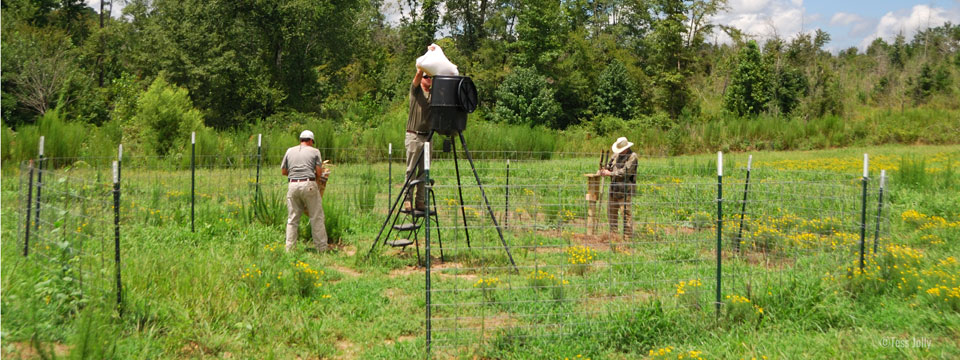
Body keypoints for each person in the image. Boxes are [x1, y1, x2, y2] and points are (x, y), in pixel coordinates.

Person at [281, 130, 328, 252]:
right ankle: (321, 248)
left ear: (301, 140)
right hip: (309, 184)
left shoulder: (289, 151)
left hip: (292, 185)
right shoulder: (315, 151)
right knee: (316, 217)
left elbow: (284, 171)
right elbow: (319, 172)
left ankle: (290, 248)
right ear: (311, 141)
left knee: (292, 219)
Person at [403, 47, 435, 213]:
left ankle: (420, 201)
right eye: (426, 76)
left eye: (430, 76)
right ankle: (407, 200)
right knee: (411, 170)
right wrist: (422, 67)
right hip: (414, 136)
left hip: (427, 138)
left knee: (424, 172)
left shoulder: (433, 94)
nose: (428, 79)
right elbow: (416, 78)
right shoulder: (416, 91)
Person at [599, 137, 639, 238]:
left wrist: (610, 173)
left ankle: (627, 237)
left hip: (625, 190)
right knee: (611, 212)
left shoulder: (632, 157)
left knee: (625, 213)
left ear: (626, 148)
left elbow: (625, 172)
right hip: (614, 188)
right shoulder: (615, 155)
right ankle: (613, 235)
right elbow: (609, 166)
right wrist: (603, 170)